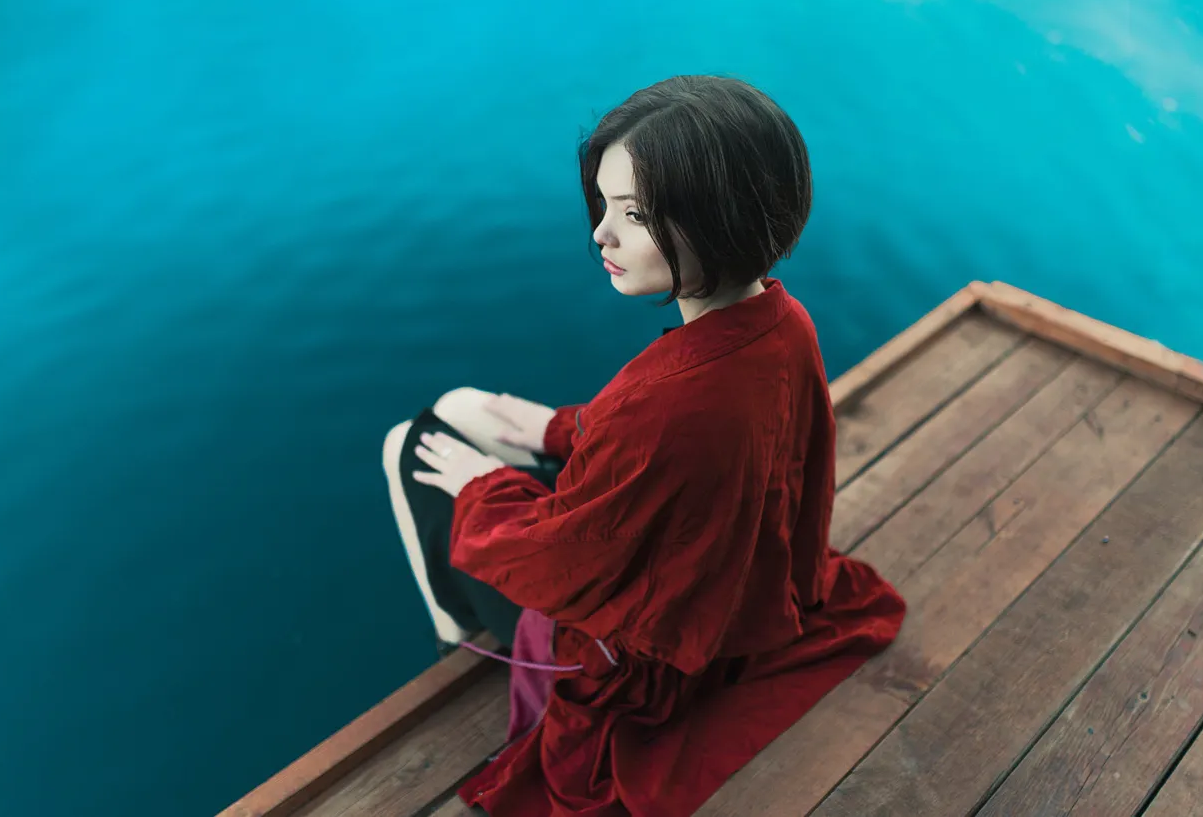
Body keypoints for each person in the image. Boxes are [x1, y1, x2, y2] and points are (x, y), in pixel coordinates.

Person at [381, 74, 907, 817]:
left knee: (411, 444)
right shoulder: (785, 326)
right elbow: (668, 450)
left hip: (636, 663)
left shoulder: (662, 405)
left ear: (718, 220)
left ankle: (459, 635)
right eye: (604, 204)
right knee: (469, 409)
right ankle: (464, 602)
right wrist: (556, 429)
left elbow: (565, 562)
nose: (601, 232)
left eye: (633, 214)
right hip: (733, 602)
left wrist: (479, 487)